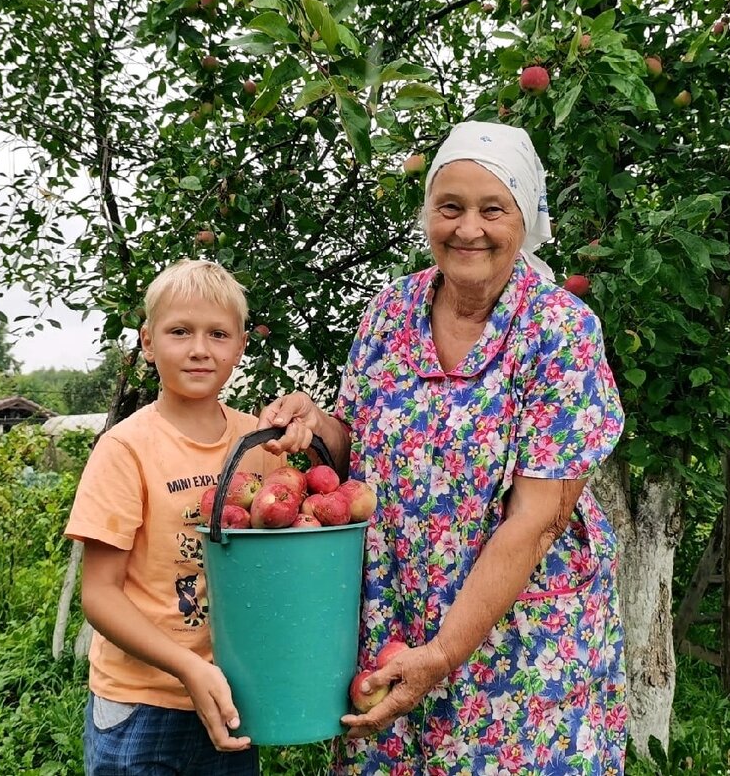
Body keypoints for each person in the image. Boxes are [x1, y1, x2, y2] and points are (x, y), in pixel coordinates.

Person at [260, 120, 627, 775]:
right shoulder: (388, 313)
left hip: (515, 643)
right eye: (449, 207)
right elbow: (356, 449)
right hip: (394, 626)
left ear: (526, 218)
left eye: (493, 209)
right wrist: (314, 424)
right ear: (428, 213)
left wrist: (443, 654)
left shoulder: (559, 332)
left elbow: (539, 518)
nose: (468, 229)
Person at [64, 259, 283, 776]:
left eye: (218, 334)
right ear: (147, 341)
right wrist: (187, 665)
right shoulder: (127, 449)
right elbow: (98, 594)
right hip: (141, 700)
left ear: (241, 345)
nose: (200, 348)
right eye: (180, 331)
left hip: (229, 693)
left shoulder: (257, 445)